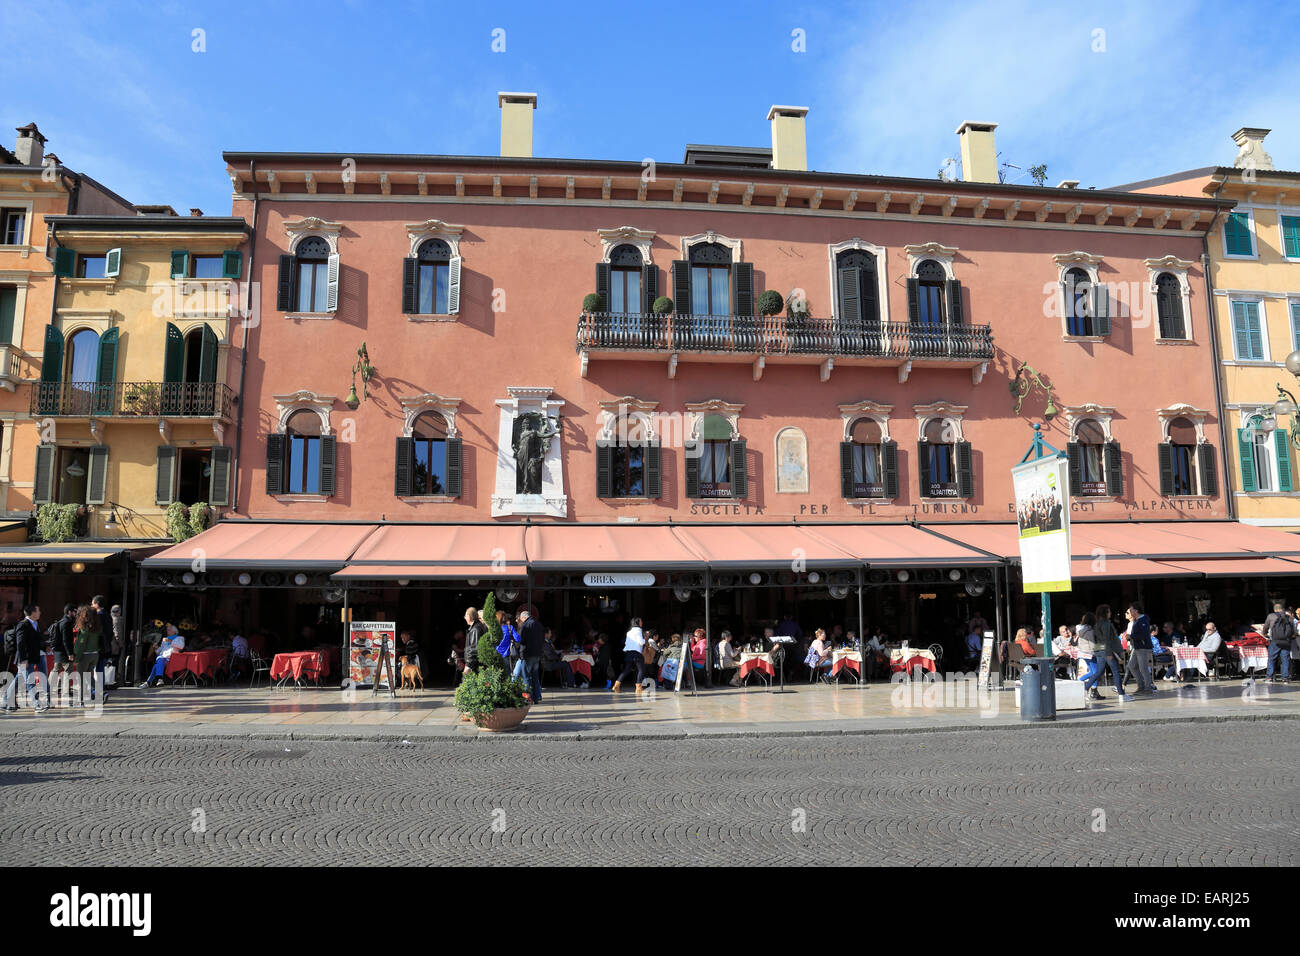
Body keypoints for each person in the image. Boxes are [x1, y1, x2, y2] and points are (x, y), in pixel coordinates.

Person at [9, 605, 46, 712]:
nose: (40, 612)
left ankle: (6, 701)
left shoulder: (35, 624)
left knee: (17, 680)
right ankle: (37, 704)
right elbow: (20, 643)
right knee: (30, 681)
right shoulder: (23, 624)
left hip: (31, 658)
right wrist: (23, 659)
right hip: (25, 659)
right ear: (33, 613)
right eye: (38, 610)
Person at [72, 605, 102, 706]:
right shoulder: (96, 627)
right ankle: (100, 694)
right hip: (95, 654)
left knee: (81, 678)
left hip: (85, 656)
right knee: (89, 677)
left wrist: (76, 658)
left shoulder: (85, 628)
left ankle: (80, 700)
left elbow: (81, 644)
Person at [514, 608, 546, 703]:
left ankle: (527, 698)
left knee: (526, 677)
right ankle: (537, 697)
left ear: (524, 618)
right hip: (537, 654)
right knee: (535, 676)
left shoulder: (525, 625)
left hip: (527, 654)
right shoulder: (539, 625)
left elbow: (521, 640)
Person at [1094, 605, 1126, 699]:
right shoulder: (1106, 624)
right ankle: (1121, 694)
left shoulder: (1096, 624)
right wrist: (1109, 653)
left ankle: (1086, 687)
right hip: (1105, 649)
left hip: (1098, 648)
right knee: (1116, 671)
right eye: (1109, 611)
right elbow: (1107, 639)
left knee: (1098, 672)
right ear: (1105, 613)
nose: (1110, 613)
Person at [1123, 604, 1155, 694]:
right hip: (1137, 647)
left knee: (1143, 668)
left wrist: (1131, 636)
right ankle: (1141, 686)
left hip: (1143, 647)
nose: (1130, 612)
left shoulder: (1143, 620)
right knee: (1131, 666)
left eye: (1131, 610)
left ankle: (1148, 688)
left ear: (1136, 611)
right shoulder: (1137, 620)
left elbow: (1144, 635)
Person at [1076, 612, 1108, 701]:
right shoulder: (1090, 631)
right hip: (1090, 654)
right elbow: (1093, 646)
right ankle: (1093, 691)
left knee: (1093, 672)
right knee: (1096, 672)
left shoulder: (1081, 630)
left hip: (1083, 653)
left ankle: (1079, 682)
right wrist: (1104, 647)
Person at [140, 624, 185, 688]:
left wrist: (170, 641)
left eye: (169, 630)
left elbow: (181, 646)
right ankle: (159, 679)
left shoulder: (179, 638)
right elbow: (160, 651)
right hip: (163, 658)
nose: (167, 631)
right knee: (159, 659)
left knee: (158, 662)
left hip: (172, 659)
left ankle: (149, 681)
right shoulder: (165, 640)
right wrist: (156, 648)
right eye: (167, 630)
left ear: (175, 631)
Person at [612, 617, 646, 694]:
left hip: (629, 653)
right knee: (641, 669)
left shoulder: (629, 632)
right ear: (637, 622)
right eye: (641, 621)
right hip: (636, 652)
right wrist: (645, 639)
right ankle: (638, 688)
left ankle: (616, 685)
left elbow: (626, 643)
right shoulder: (638, 631)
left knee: (626, 670)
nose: (642, 622)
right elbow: (641, 642)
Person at [1263, 601, 1294, 682]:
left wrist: (1265, 634)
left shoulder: (1271, 616)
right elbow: (1293, 631)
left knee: (1271, 658)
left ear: (1275, 609)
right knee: (1285, 659)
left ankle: (1269, 677)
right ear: (1282, 609)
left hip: (1275, 641)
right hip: (1286, 642)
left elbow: (1265, 627)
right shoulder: (1289, 617)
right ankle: (1285, 678)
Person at [462, 606, 483, 674]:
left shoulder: (475, 629)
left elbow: (474, 649)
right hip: (475, 665)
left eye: (465, 616)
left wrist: (468, 665)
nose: (465, 618)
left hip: (474, 666)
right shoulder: (476, 627)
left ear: (469, 616)